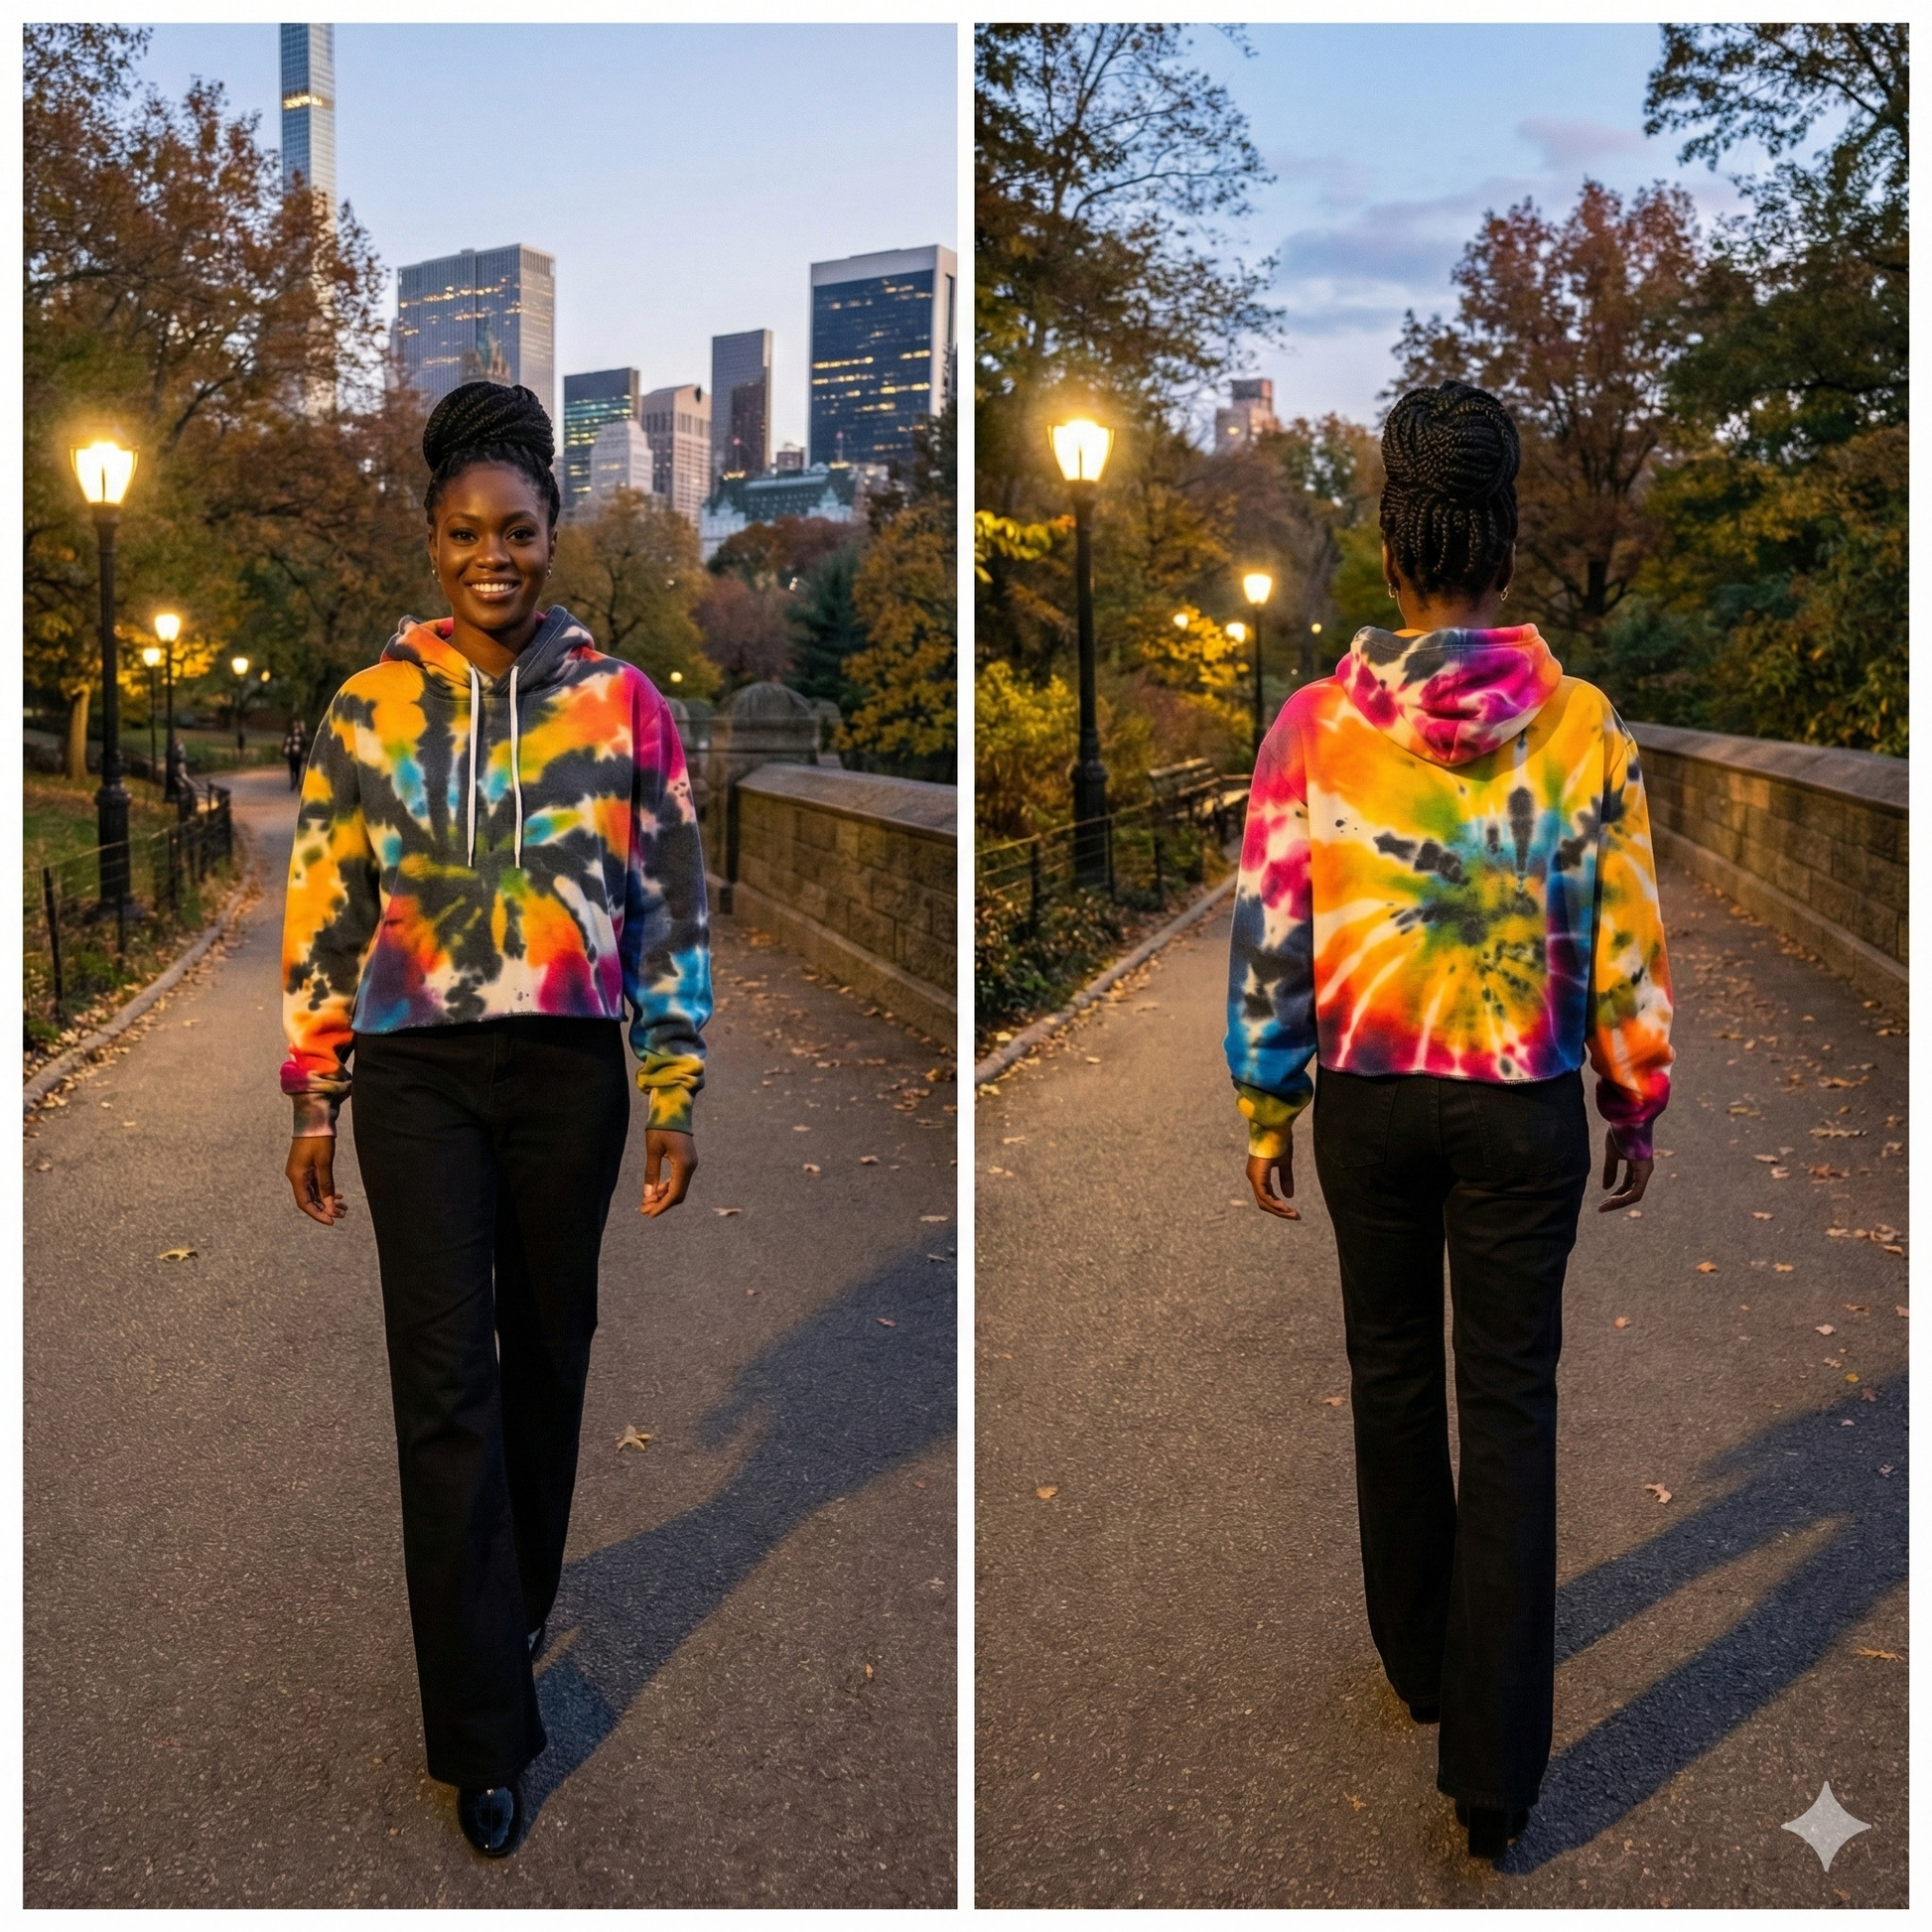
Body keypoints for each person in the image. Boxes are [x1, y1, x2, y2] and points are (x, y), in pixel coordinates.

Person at [1224, 380, 1673, 1863]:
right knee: (1512, 1402)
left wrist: (1262, 1093)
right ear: (1501, 526)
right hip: (1520, 1106)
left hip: (1369, 1098)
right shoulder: (1582, 724)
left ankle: (1417, 1653)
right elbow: (1622, 938)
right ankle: (1493, 1771)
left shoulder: (1309, 727)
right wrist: (1634, 1089)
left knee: (1391, 1378)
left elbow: (1272, 930)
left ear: (1390, 528)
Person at [279, 380, 711, 1860]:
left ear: (552, 532)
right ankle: (481, 1729)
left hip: (570, 1074)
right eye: (465, 531)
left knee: (550, 1352)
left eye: (518, 530)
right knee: (444, 1382)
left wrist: (672, 1078)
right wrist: (312, 1089)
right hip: (415, 1078)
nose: (492, 557)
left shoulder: (624, 704)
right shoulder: (366, 708)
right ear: (431, 535)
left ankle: (516, 1588)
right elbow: (324, 907)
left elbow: (669, 906)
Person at [283, 716, 306, 791]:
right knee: (291, 768)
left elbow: (304, 743)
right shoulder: (290, 734)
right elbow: (287, 742)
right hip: (291, 753)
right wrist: (285, 750)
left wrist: (303, 751)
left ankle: (297, 781)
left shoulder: (301, 734)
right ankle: (293, 782)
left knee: (297, 768)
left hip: (298, 754)